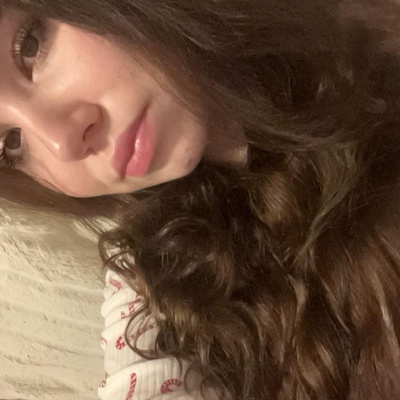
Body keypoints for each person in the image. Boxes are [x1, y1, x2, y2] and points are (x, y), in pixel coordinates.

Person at [1, 0, 400, 399]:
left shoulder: (361, 33)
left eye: (30, 45)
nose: (62, 143)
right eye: (10, 144)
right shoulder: (155, 286)